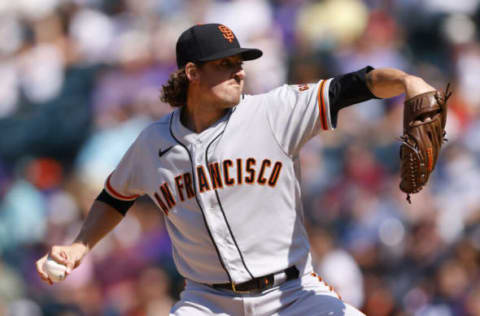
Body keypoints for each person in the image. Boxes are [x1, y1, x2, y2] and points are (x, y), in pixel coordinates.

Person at [36, 23, 437, 315]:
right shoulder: (152, 143)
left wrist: (406, 80)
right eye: (225, 64)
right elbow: (115, 196)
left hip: (292, 295)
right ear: (192, 73)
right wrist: (80, 245)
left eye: (240, 62)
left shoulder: (273, 110)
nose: (239, 71)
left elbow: (357, 84)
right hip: (207, 303)